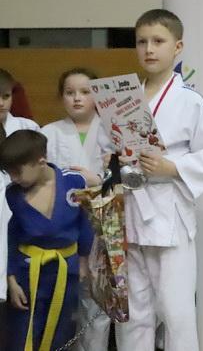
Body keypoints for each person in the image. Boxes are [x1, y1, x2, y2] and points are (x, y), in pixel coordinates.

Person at [98, 9, 203, 351]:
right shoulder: (122, 99)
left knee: (175, 309)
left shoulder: (190, 101)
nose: (149, 49)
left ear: (177, 47)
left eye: (158, 41)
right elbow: (108, 150)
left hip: (169, 213)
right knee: (134, 311)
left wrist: (171, 167)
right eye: (142, 42)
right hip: (131, 211)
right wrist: (113, 162)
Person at [1, 130, 99, 351]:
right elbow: (9, 237)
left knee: (61, 329)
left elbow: (85, 222)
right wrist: (11, 280)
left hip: (66, 269)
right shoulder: (12, 194)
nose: (13, 178)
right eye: (9, 173)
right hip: (27, 271)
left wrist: (84, 260)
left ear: (41, 161)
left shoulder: (73, 182)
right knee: (23, 330)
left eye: (17, 172)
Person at [42, 67, 111, 351]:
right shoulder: (48, 133)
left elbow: (129, 176)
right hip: (62, 224)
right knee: (60, 299)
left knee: (98, 298)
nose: (77, 98)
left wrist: (100, 179)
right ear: (61, 97)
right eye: (70, 93)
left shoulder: (112, 130)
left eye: (85, 92)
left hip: (104, 222)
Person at [0, 68, 40, 348]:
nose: (1, 103)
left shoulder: (27, 128)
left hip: (22, 211)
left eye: (5, 96)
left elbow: (43, 172)